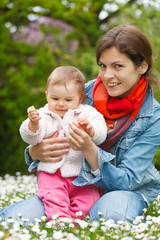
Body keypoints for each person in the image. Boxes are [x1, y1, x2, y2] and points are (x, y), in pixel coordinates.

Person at [1, 24, 160, 225]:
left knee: (110, 216)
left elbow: (127, 181)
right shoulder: (79, 93)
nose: (107, 75)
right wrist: (34, 152)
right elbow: (46, 124)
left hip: (122, 190)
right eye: (103, 65)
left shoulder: (153, 116)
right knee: (15, 219)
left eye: (117, 66)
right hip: (72, 184)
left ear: (142, 66)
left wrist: (88, 149)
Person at [19, 66, 107, 221]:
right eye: (55, 99)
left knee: (90, 200)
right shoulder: (43, 115)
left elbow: (101, 131)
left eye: (68, 100)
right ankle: (60, 220)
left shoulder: (86, 113)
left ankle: (75, 220)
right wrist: (33, 125)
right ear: (47, 95)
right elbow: (31, 137)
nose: (60, 104)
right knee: (54, 197)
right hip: (52, 174)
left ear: (80, 98)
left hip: (81, 176)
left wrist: (91, 130)